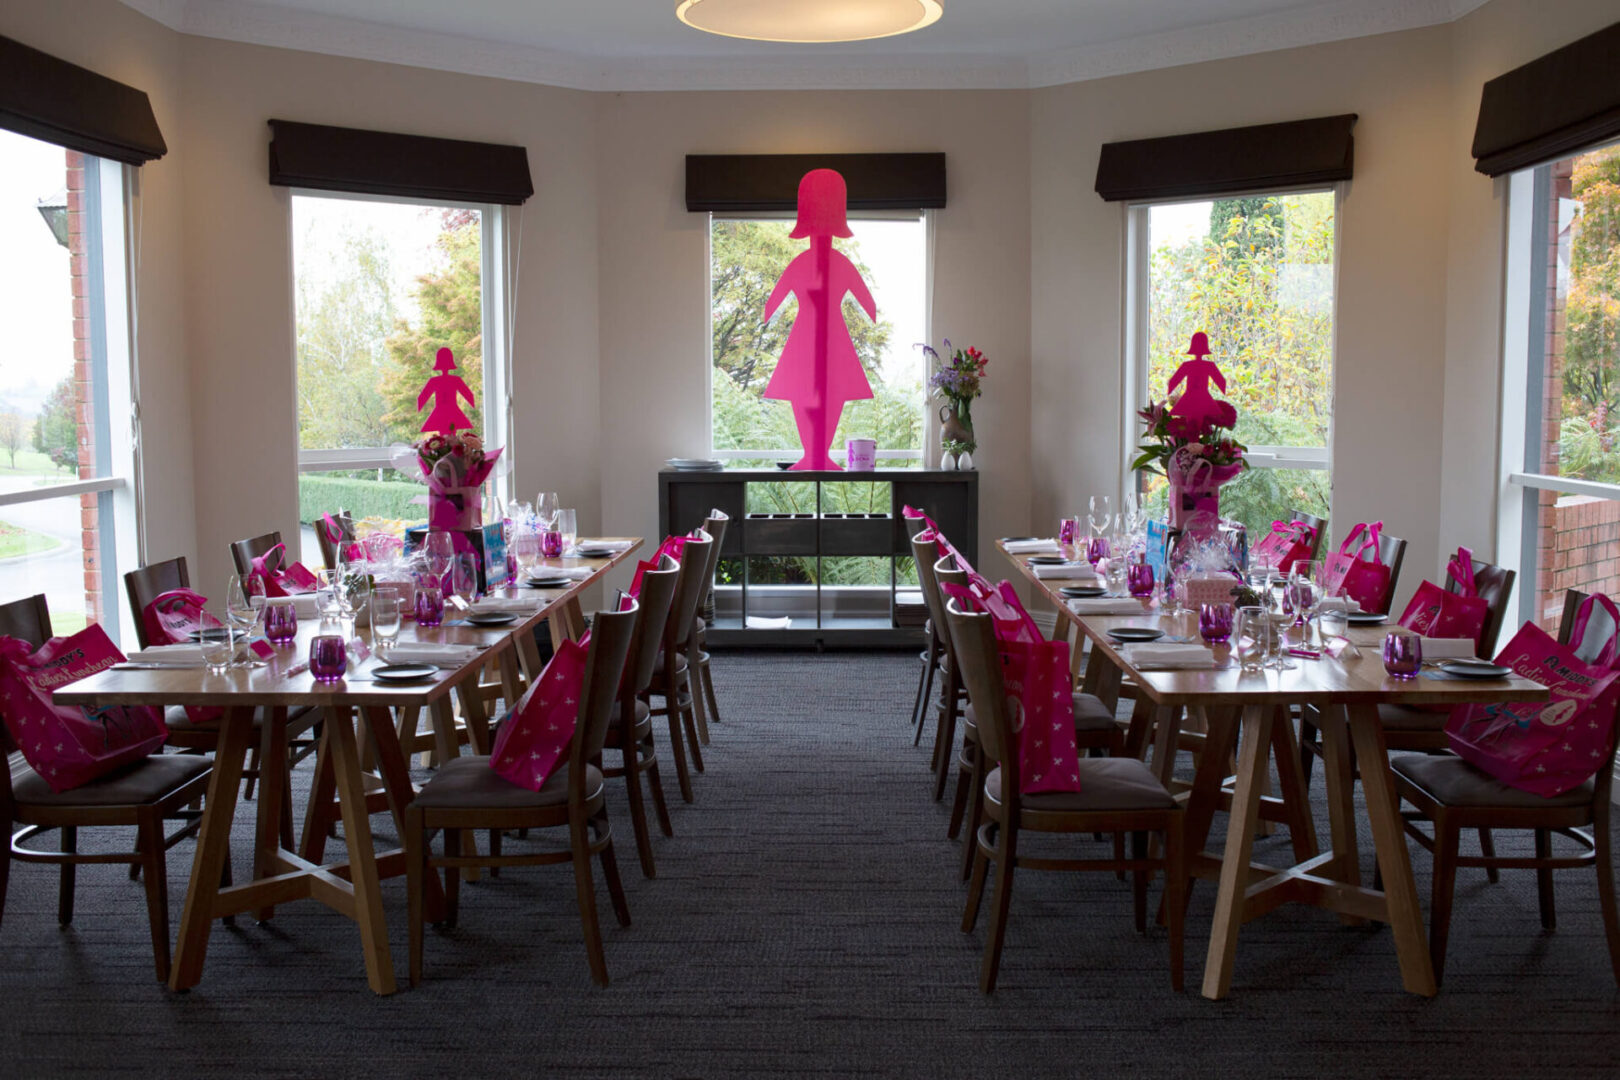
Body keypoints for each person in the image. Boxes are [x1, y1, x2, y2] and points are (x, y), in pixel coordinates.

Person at [762, 169, 877, 471]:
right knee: (800, 392)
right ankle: (811, 454)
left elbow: (867, 301)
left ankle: (820, 454)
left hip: (833, 338)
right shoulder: (802, 263)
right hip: (804, 338)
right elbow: (773, 301)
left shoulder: (839, 263)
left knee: (835, 392)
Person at [1166, 331, 1237, 434]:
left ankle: (1195, 443)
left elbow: (1174, 381)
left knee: (1196, 424)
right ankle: (1195, 443)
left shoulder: (1189, 365)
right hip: (1200, 397)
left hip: (1193, 397)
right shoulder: (1207, 365)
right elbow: (1221, 382)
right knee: (1193, 424)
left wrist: (1170, 390)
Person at [417, 347, 475, 434]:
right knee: (446, 436)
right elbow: (469, 395)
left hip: (447, 411)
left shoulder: (437, 381)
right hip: (446, 412)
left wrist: (419, 407)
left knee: (450, 434)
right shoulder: (454, 380)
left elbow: (422, 398)